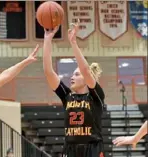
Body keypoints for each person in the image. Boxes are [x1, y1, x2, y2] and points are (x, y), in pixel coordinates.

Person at [43, 21, 105, 157]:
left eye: (76, 74)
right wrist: (47, 40)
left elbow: (86, 71)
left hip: (92, 149)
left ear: (86, 80)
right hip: (70, 149)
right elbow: (48, 72)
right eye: (72, 74)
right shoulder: (67, 96)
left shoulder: (96, 97)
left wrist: (73, 43)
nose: (72, 77)